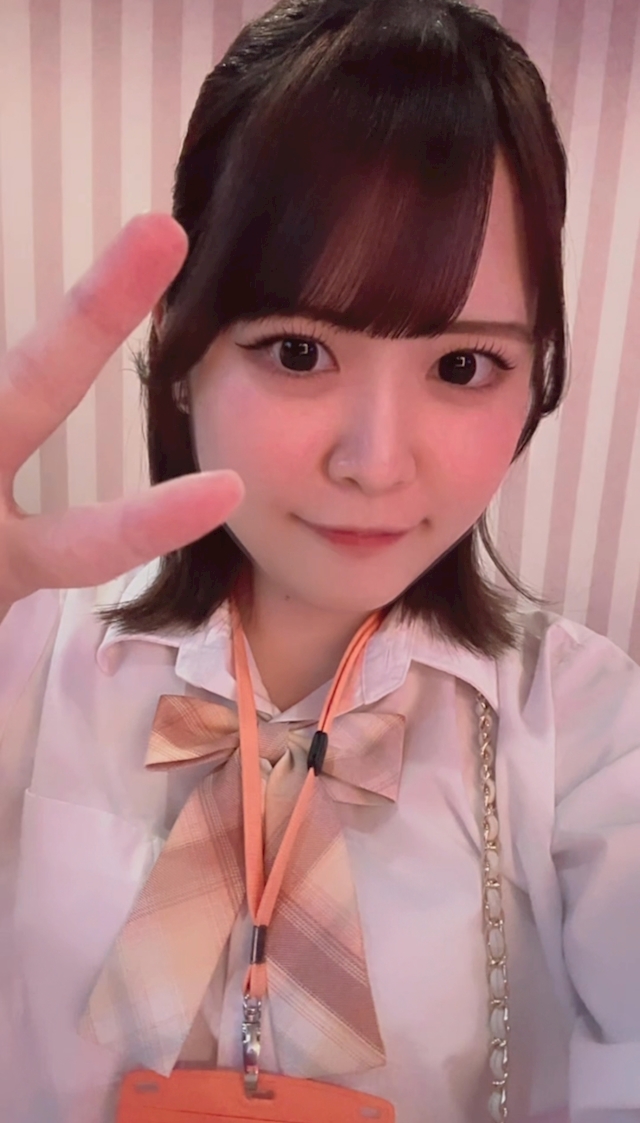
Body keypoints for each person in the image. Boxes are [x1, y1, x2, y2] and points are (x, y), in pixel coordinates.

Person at [0, 0, 638, 1120]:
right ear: (181, 352)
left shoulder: (583, 722)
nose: (374, 463)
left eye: (463, 366)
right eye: (297, 351)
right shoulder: (27, 655)